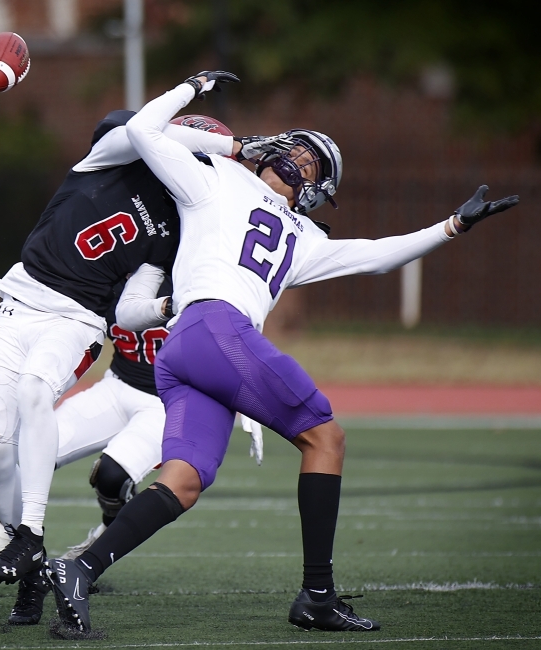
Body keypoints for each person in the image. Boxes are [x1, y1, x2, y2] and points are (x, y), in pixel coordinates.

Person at [44, 71, 520, 635]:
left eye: (312, 162)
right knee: (327, 436)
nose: (296, 158)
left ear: (317, 191)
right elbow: (147, 128)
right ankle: (318, 595)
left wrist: (451, 226)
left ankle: (81, 566)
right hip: (215, 329)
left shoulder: (304, 237)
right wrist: (197, 93)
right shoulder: (217, 175)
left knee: (186, 478)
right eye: (295, 147)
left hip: (191, 350)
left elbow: (376, 256)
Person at [0, 105, 285, 588]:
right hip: (119, 377)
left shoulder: (197, 240)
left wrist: (247, 403)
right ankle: (9, 545)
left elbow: (235, 326)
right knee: (22, 450)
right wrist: (164, 306)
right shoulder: (127, 178)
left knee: (111, 474)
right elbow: (128, 309)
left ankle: (91, 553)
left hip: (166, 395)